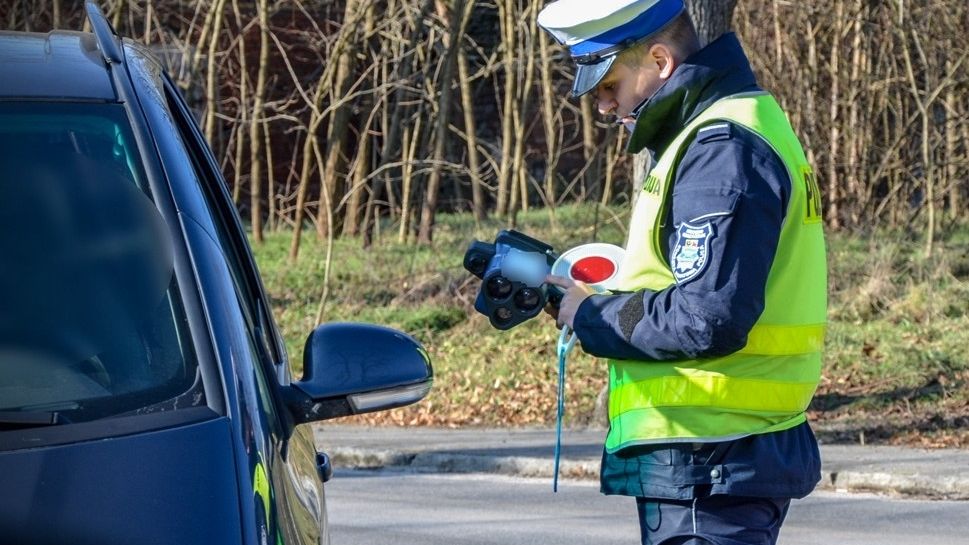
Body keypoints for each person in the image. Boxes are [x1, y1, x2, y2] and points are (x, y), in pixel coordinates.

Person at [537, 0, 827, 544]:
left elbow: (706, 316)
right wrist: (607, 293)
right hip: (717, 461)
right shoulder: (725, 131)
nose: (603, 105)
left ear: (660, 61)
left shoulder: (720, 148)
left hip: (710, 459)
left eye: (609, 85)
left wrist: (592, 314)